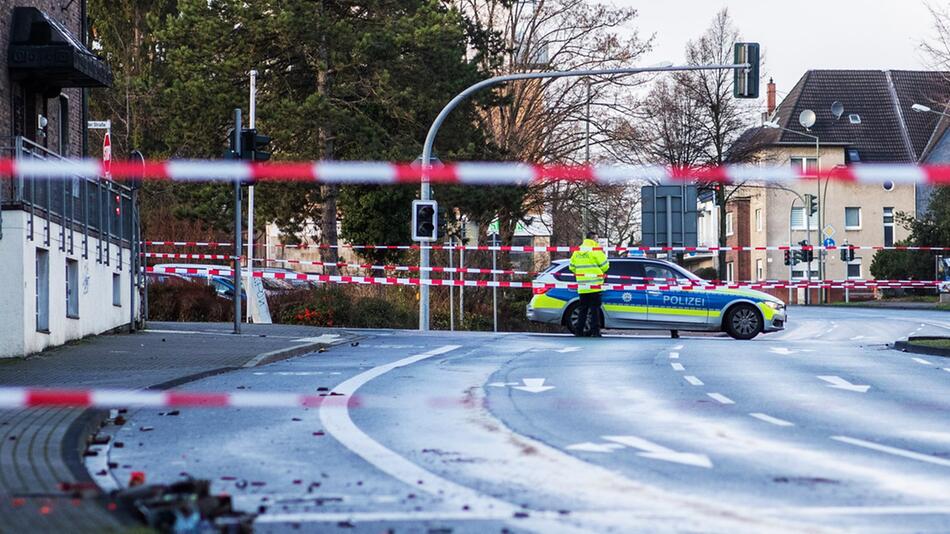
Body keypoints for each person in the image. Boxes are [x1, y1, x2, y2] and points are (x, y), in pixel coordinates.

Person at [569, 230, 609, 337]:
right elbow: (605, 266)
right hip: (595, 286)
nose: (597, 241)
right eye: (596, 239)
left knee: (583, 310)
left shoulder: (577, 251)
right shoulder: (595, 250)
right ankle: (595, 332)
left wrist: (581, 274)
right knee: (595, 310)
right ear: (593, 239)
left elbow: (571, 267)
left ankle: (579, 332)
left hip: (582, 286)